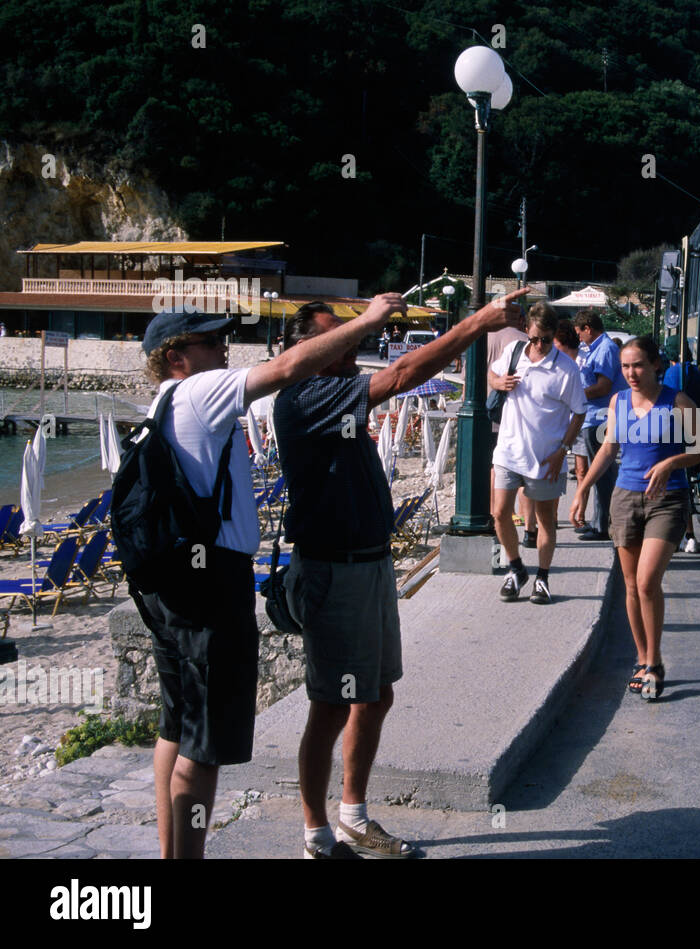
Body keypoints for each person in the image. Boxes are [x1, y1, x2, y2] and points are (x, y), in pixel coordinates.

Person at [129, 295, 402, 859]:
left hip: (170, 582)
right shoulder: (200, 392)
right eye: (210, 341)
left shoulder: (163, 402)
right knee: (203, 749)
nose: (224, 349)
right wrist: (368, 323)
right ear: (175, 356)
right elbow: (283, 369)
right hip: (210, 588)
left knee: (176, 726)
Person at [276, 287, 528, 860]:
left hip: (367, 566)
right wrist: (479, 324)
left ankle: (352, 816)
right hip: (334, 570)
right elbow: (404, 373)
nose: (347, 350)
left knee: (376, 695)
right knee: (331, 702)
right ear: (303, 353)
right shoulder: (305, 396)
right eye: (333, 340)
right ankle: (318, 832)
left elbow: (402, 371)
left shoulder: (331, 391)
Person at [571, 335, 700, 700]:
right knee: (631, 586)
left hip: (668, 499)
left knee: (648, 581)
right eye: (625, 367)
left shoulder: (677, 401)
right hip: (625, 498)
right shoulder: (618, 400)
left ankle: (655, 661)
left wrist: (670, 462)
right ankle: (643, 657)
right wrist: (583, 489)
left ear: (655, 366)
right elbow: (609, 447)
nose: (631, 373)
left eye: (638, 366)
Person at [489, 302, 586, 605]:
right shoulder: (515, 352)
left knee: (546, 520)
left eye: (545, 339)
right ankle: (516, 568)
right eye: (534, 338)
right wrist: (499, 382)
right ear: (526, 332)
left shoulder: (566, 369)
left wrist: (563, 451)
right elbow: (491, 375)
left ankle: (542, 577)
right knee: (500, 513)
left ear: (554, 334)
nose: (539, 345)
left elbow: (579, 413)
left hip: (546, 456)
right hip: (508, 450)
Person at [573, 309, 628, 540]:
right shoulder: (597, 348)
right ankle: (600, 522)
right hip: (596, 416)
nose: (579, 338)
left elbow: (604, 386)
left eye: (579, 333)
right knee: (602, 474)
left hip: (601, 417)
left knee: (602, 474)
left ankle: (604, 525)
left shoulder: (605, 349)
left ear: (588, 328)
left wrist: (576, 394)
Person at [486, 298, 535, 545]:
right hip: (509, 413)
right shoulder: (521, 341)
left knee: (492, 467)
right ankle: (526, 525)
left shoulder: (482, 336)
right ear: (521, 319)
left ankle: (495, 515)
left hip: (483, 409)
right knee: (516, 468)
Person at [663, 342, 700, 553]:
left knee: (679, 484)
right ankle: (689, 535)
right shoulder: (697, 371)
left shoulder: (673, 372)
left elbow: (669, 401)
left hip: (678, 431)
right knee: (689, 481)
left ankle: (686, 534)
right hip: (697, 427)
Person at [554, 319, 590, 526]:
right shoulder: (555, 362)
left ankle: (581, 513)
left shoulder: (584, 361)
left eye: (555, 341)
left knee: (582, 470)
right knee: (558, 468)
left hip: (580, 421)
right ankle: (553, 513)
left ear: (563, 341)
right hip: (560, 421)